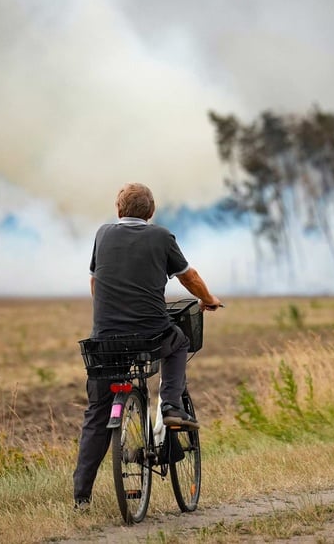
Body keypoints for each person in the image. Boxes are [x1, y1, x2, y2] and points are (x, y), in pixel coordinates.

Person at [72, 182, 221, 510]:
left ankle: (81, 495)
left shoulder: (102, 235)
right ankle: (170, 405)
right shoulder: (162, 237)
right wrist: (207, 299)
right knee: (179, 342)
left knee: (97, 412)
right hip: (151, 334)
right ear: (151, 213)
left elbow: (95, 281)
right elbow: (188, 276)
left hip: (104, 340)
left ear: (118, 210)